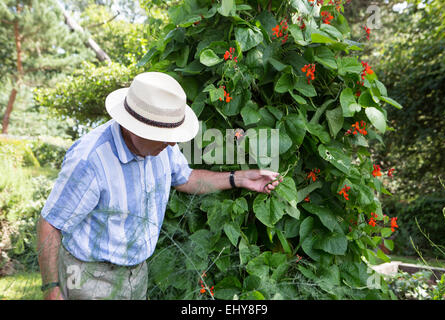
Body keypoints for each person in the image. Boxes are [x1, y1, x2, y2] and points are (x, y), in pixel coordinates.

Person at [36, 72, 282, 300]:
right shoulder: (90, 160)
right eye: (165, 135)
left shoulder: (161, 147)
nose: (174, 143)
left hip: (136, 274)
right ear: (134, 127)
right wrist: (52, 289)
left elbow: (186, 178)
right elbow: (51, 224)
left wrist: (239, 178)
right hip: (89, 277)